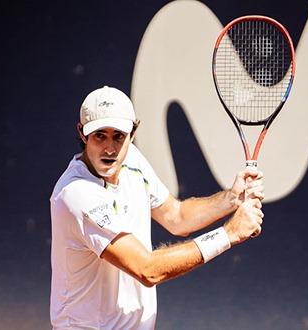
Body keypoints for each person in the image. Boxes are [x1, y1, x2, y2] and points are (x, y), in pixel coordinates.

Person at [50, 86, 264, 329]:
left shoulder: (132, 160)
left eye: (118, 136)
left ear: (132, 133)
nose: (109, 148)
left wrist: (231, 199)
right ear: (82, 133)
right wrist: (229, 234)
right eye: (100, 135)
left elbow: (177, 217)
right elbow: (147, 269)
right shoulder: (76, 194)